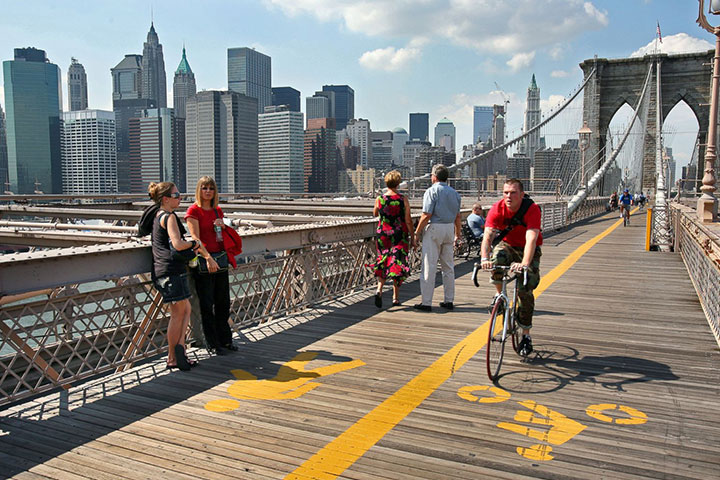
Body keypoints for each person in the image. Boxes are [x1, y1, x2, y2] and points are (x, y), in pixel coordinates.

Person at [480, 178, 542, 356]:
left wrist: (524, 264)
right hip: (507, 245)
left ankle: (526, 336)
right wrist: (485, 258)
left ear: (522, 195)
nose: (509, 196)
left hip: (527, 249)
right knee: (497, 258)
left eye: (513, 193)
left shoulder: (532, 209)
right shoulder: (496, 209)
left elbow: (531, 239)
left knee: (525, 290)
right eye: (506, 192)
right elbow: (488, 237)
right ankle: (499, 294)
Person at [148, 181, 203, 370]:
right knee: (178, 314)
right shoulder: (169, 217)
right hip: (171, 271)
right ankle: (172, 357)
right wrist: (194, 243)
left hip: (167, 270)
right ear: (165, 199)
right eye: (176, 195)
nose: (180, 198)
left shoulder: (157, 215)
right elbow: (178, 244)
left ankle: (181, 350)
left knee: (185, 310)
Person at [185, 176, 237, 356]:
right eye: (204, 188)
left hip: (220, 259)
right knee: (207, 304)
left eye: (211, 188)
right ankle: (212, 343)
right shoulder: (193, 211)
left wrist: (223, 226)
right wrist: (208, 258)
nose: (208, 191)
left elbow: (221, 237)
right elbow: (195, 238)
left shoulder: (217, 211)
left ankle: (226, 340)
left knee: (223, 302)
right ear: (199, 190)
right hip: (205, 261)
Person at [413, 164, 462, 312]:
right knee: (448, 267)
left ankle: (426, 302)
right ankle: (449, 300)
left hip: (435, 228)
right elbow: (458, 217)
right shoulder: (455, 193)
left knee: (429, 266)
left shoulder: (431, 191)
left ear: (434, 176)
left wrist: (417, 232)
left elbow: (426, 214)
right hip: (449, 228)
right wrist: (457, 234)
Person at [368, 170, 415, 308]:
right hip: (399, 235)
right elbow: (408, 220)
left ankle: (379, 290)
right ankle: (395, 297)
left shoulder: (380, 199)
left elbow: (375, 213)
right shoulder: (402, 199)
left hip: (383, 234)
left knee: (383, 260)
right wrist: (413, 237)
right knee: (397, 263)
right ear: (399, 183)